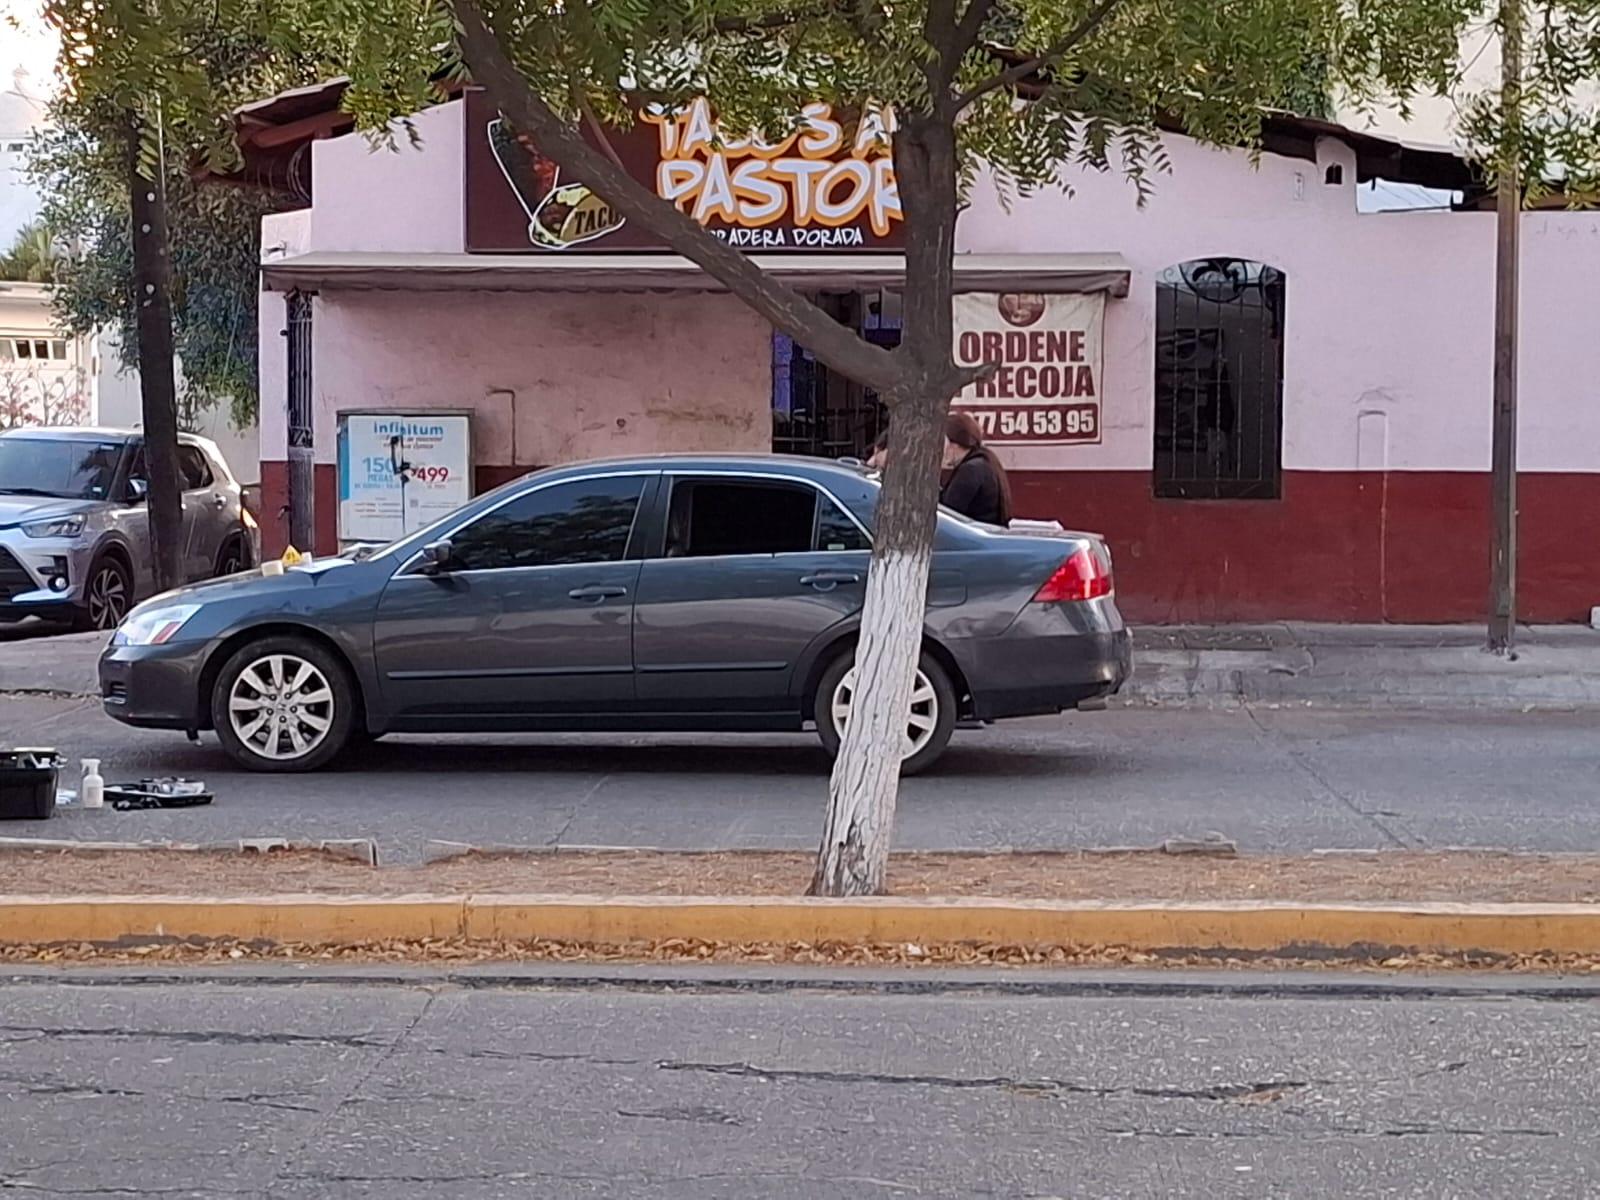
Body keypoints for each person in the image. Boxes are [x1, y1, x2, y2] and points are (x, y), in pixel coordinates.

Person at [940, 412, 1013, 525]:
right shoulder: (985, 462)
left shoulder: (970, 470)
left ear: (954, 443)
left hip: (970, 534)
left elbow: (947, 515)